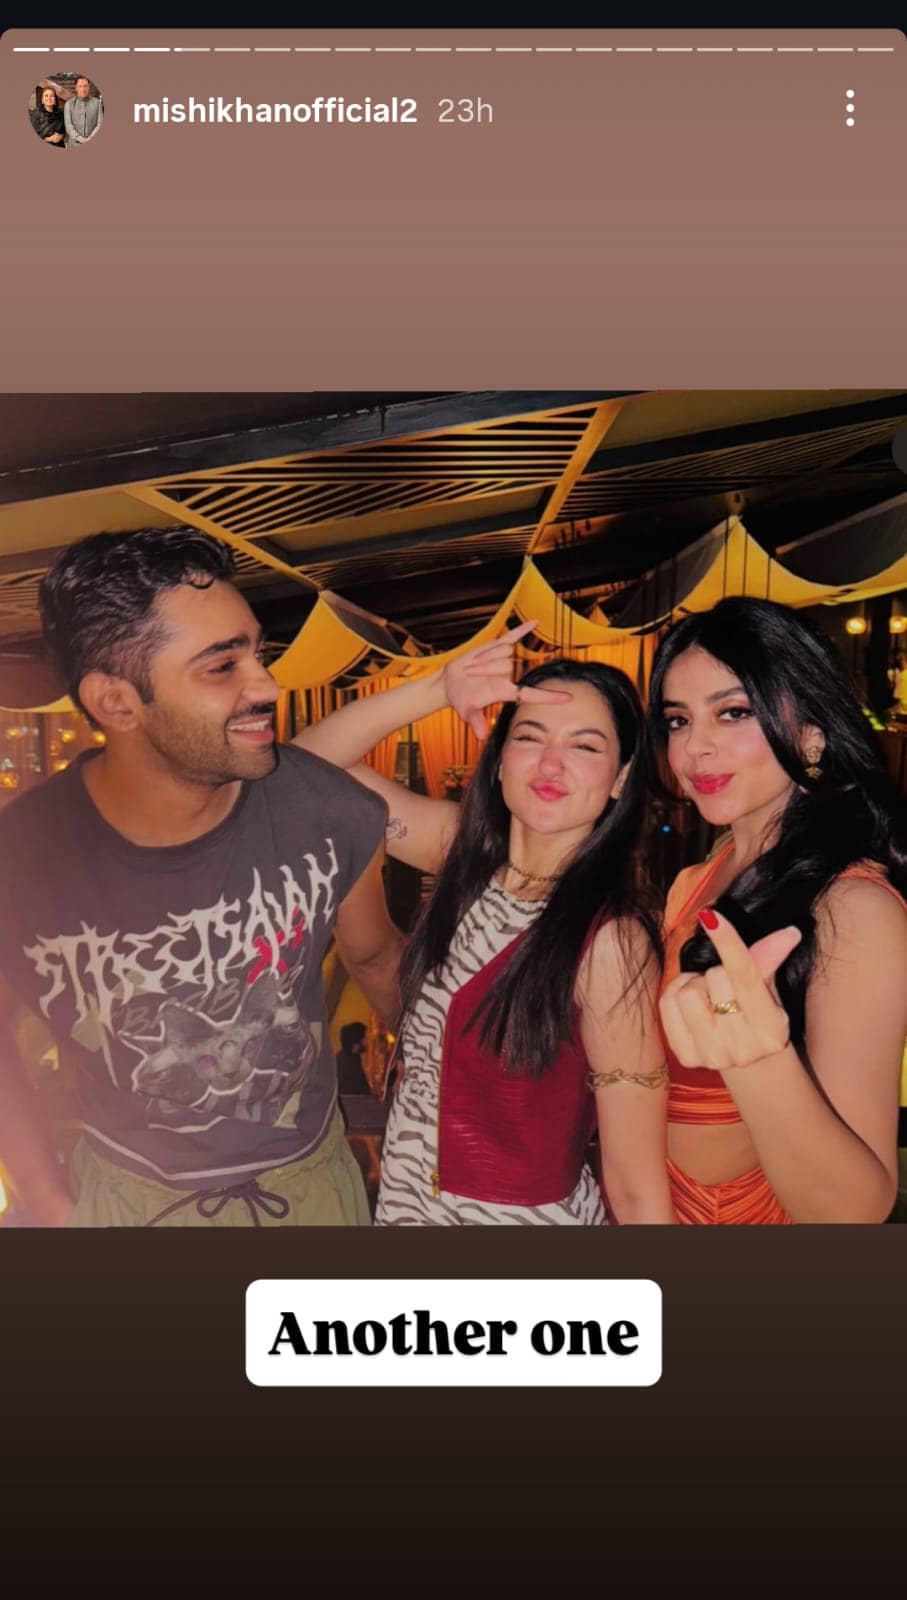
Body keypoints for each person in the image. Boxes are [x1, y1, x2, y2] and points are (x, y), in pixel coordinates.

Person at [0, 528, 404, 1226]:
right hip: (124, 1203)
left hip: (311, 1192)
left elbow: (376, 958)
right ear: (116, 702)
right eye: (222, 667)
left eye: (257, 653)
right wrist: (43, 1195)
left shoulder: (329, 811)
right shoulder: (22, 857)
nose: (266, 685)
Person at [296, 627, 675, 1225]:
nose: (551, 763)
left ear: (621, 779)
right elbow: (302, 771)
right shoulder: (462, 860)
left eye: (584, 746)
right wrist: (437, 691)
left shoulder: (610, 942)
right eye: (530, 736)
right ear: (498, 761)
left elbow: (634, 1184)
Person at [647, 596, 907, 1224]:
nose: (695, 748)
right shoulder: (695, 880)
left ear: (812, 732)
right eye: (678, 720)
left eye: (733, 712)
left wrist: (759, 1059)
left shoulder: (854, 908)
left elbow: (855, 1208)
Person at [64, 75, 103, 146]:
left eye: (85, 86)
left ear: (89, 87)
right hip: (74, 144)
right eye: (80, 86)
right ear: (76, 88)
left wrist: (91, 138)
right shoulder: (69, 104)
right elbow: (69, 127)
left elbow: (100, 124)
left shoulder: (97, 103)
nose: (83, 89)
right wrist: (82, 139)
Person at [336, 1020, 371, 1097]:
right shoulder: (346, 1063)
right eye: (365, 1038)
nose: (367, 1041)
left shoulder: (353, 1058)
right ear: (356, 1043)